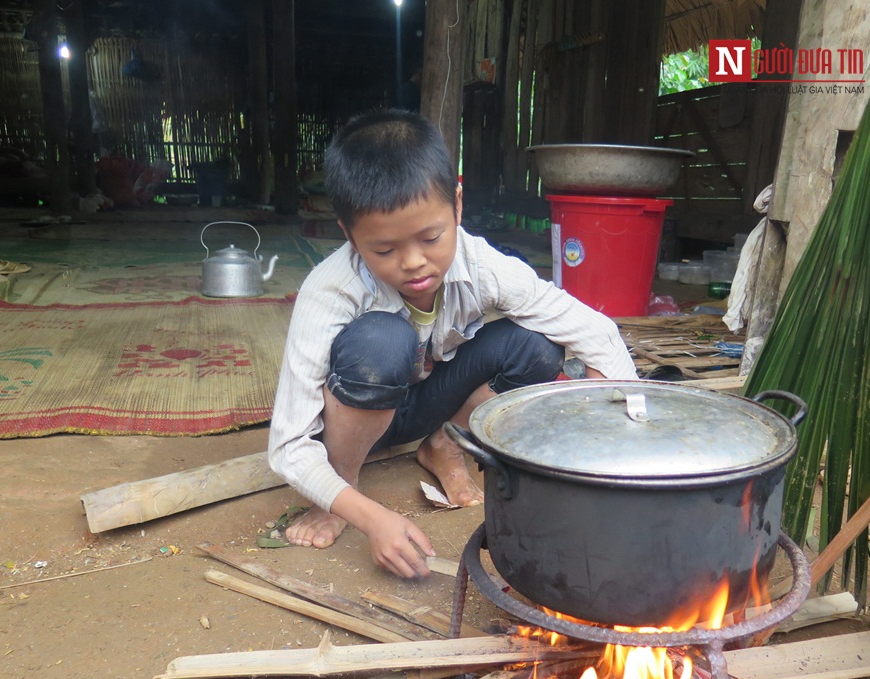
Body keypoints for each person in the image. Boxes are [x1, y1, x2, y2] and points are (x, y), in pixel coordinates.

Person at [268, 109, 637, 579]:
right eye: (384, 250)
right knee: (384, 341)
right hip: (355, 410)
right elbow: (288, 446)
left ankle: (445, 443)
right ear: (349, 234)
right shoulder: (331, 290)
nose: (414, 263)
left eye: (432, 237)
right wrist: (370, 517)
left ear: (457, 206)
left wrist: (634, 426)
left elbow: (594, 331)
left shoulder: (482, 264)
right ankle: (342, 489)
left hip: (422, 401)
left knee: (537, 347)